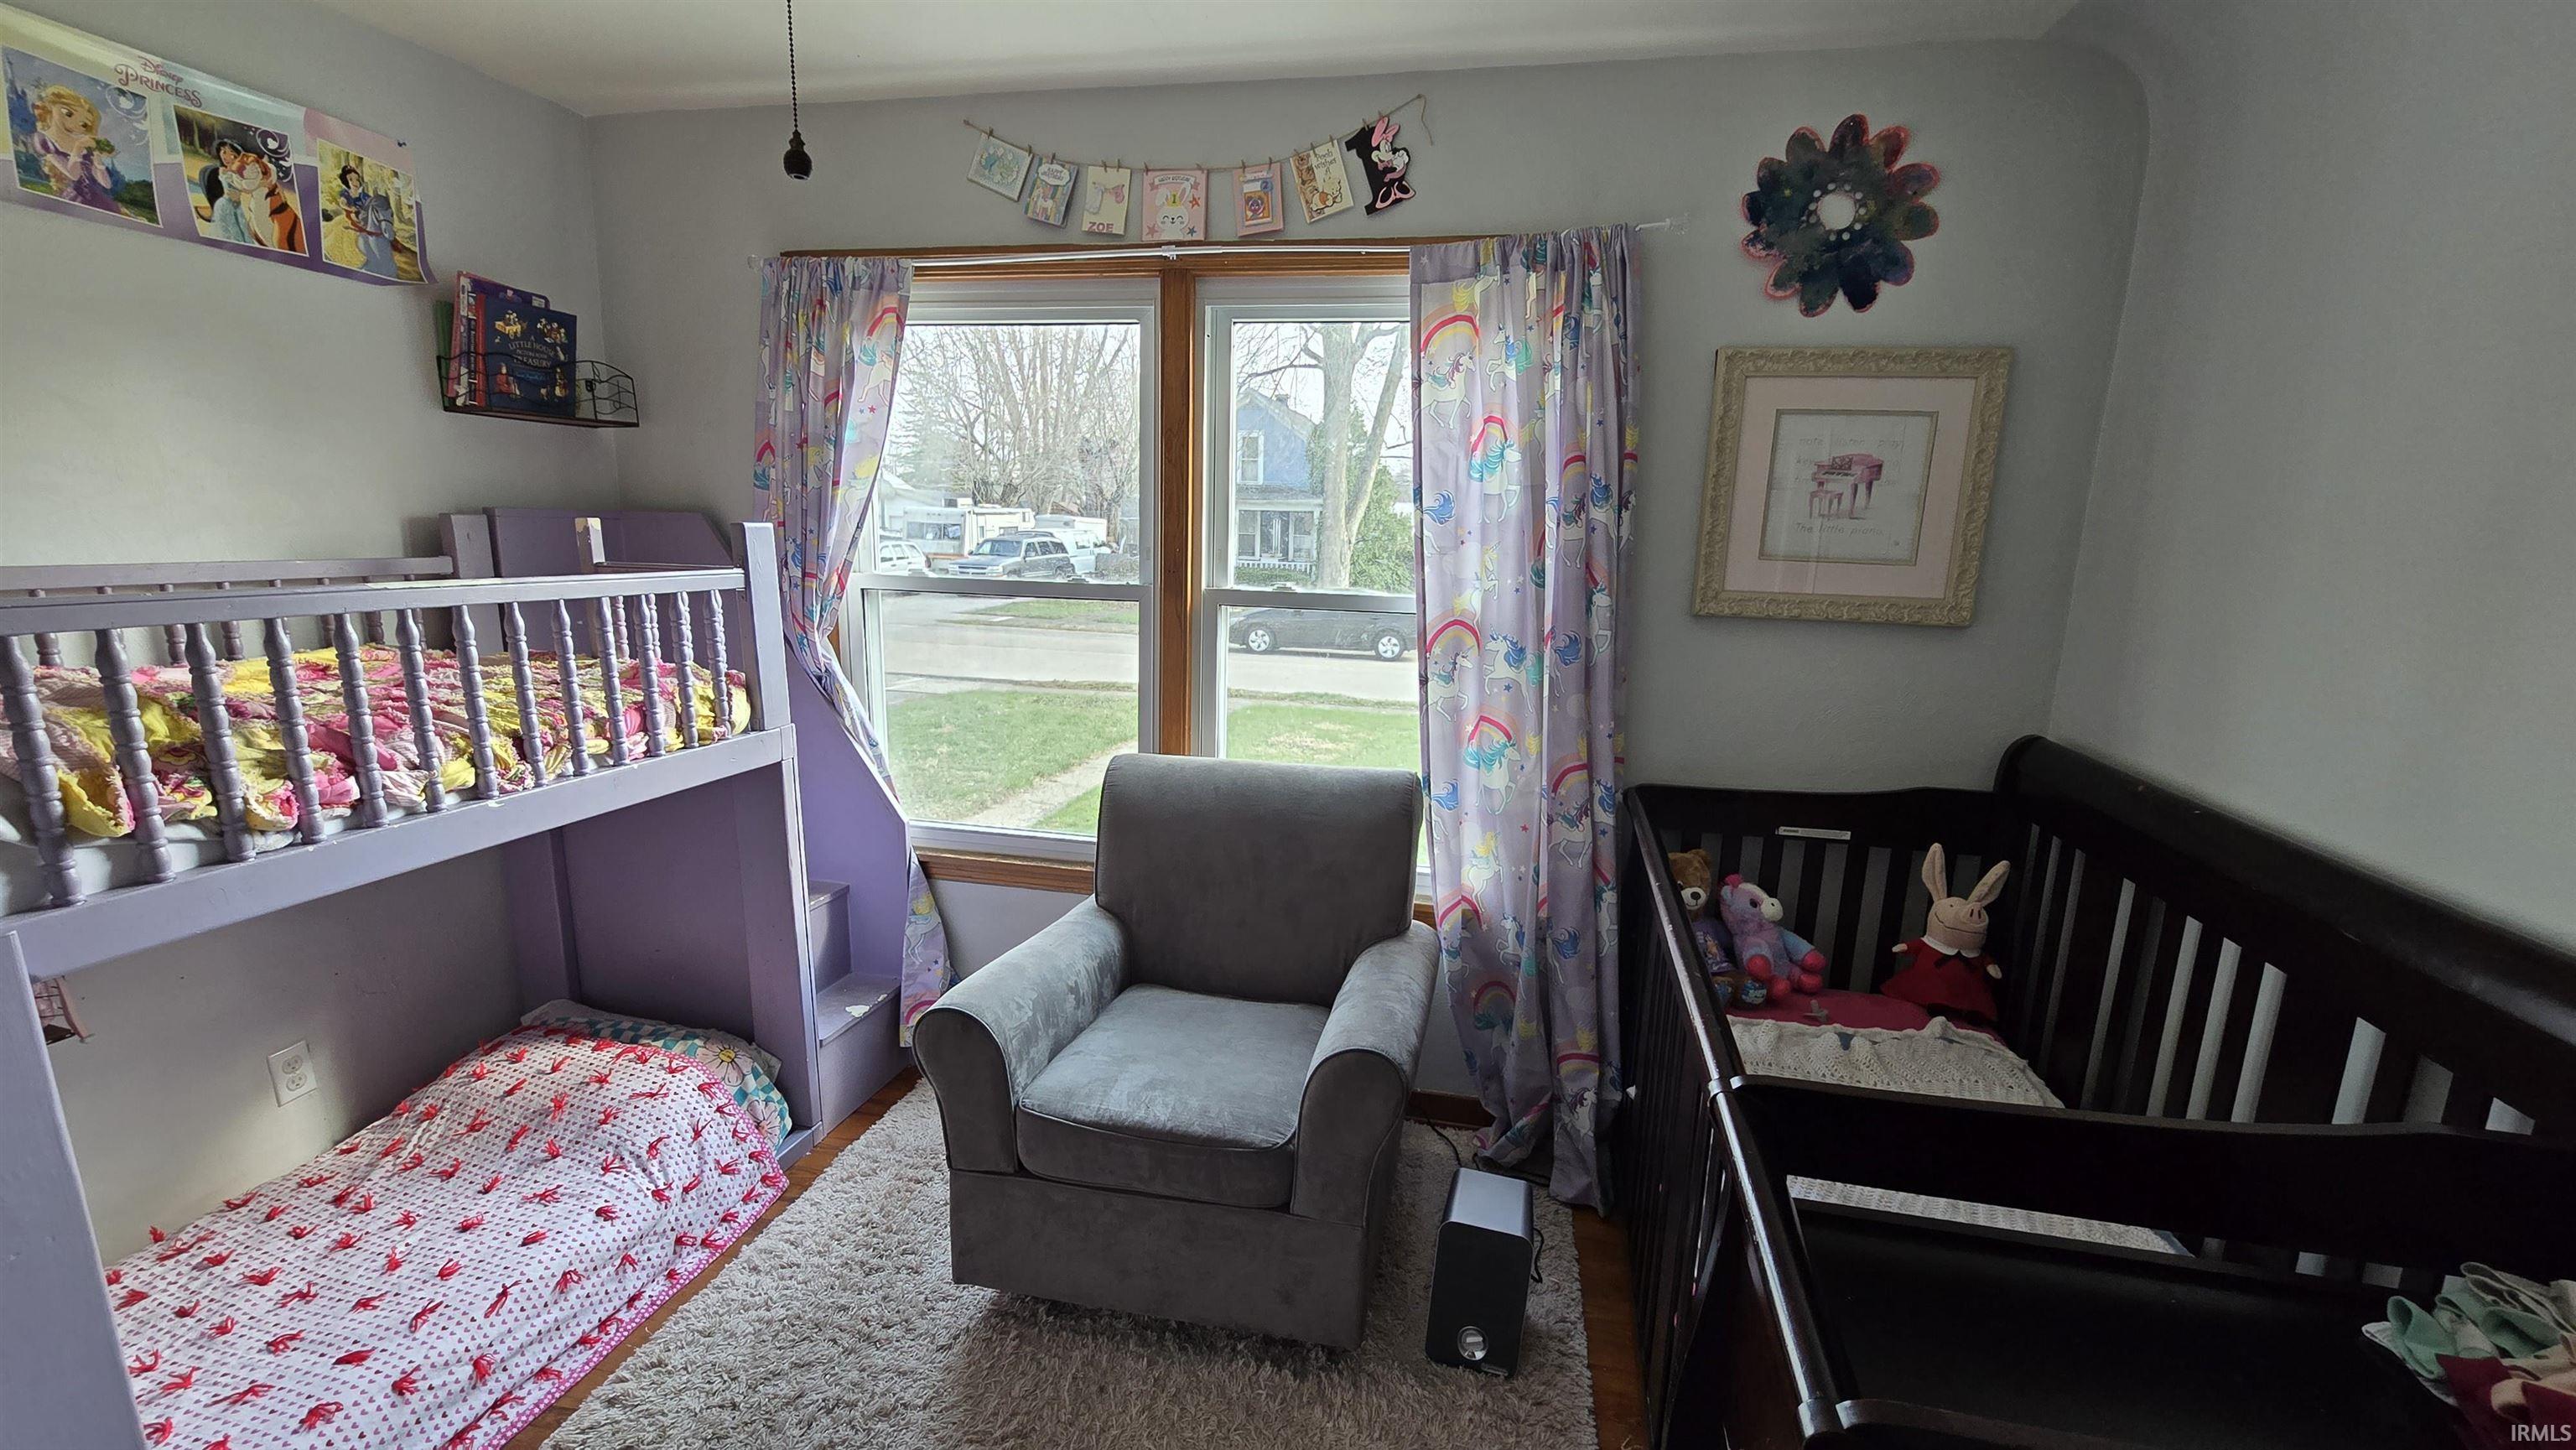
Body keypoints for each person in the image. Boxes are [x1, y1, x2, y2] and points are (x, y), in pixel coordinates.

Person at [27, 83, 121, 214]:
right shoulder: (43, 140)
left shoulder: (83, 142)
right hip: (75, 198)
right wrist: (78, 148)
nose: (75, 124)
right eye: (68, 113)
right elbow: (74, 174)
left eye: (83, 124)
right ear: (51, 106)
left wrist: (97, 158)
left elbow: (106, 184)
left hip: (98, 200)